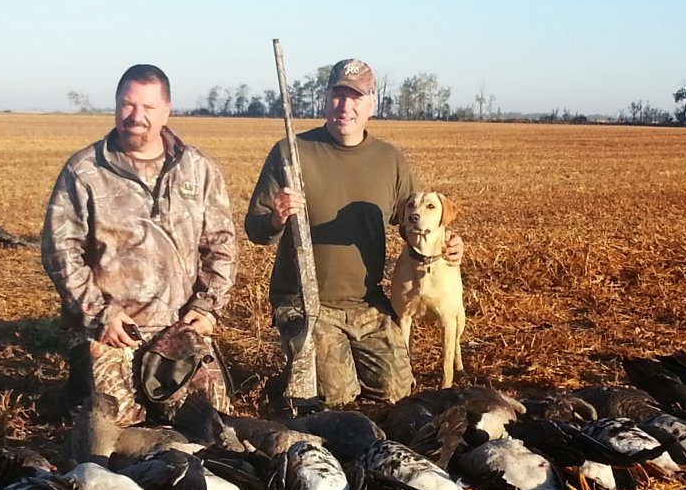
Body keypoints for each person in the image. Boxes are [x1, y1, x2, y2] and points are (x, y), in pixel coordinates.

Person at [245, 58, 463, 407]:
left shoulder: (389, 160)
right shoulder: (290, 152)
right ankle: (289, 383)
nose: (345, 106)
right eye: (337, 95)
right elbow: (255, 228)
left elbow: (416, 223)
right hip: (307, 303)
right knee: (337, 397)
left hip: (367, 303)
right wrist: (278, 219)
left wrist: (449, 245)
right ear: (325, 98)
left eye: (356, 97)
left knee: (397, 394)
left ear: (371, 104)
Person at [42, 64, 236, 417]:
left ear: (166, 111)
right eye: (128, 105)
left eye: (148, 108)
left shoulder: (197, 169)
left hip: (179, 327)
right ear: (116, 106)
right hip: (109, 329)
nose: (136, 116)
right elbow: (60, 250)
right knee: (114, 424)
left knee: (210, 418)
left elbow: (220, 244)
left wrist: (206, 309)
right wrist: (101, 314)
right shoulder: (85, 170)